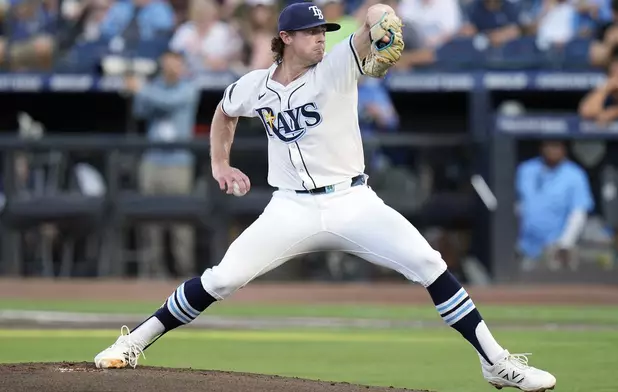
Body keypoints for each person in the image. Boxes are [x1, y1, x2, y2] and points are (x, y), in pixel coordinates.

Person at [94, 3, 556, 391]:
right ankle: (133, 340)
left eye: (323, 31)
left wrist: (384, 16)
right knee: (221, 279)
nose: (321, 38)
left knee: (430, 264)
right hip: (291, 207)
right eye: (311, 32)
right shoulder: (255, 85)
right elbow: (224, 110)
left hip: (353, 202)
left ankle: (495, 362)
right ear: (285, 38)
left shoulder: (336, 66)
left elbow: (370, 20)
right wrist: (220, 163)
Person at [126, 49, 200, 278]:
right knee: (151, 220)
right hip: (152, 160)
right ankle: (153, 270)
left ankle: (185, 271)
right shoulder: (154, 87)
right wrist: (139, 92)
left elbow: (170, 103)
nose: (171, 68)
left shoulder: (189, 88)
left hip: (178, 161)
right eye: (168, 64)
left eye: (176, 64)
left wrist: (140, 89)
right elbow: (139, 111)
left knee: (180, 220)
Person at [579, 54, 618, 268]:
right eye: (616, 74)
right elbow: (586, 110)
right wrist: (606, 88)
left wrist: (616, 112)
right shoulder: (605, 97)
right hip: (614, 169)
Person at [515, 141, 594, 271]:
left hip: (556, 249)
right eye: (549, 145)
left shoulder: (575, 174)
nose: (553, 150)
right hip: (525, 247)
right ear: (542, 147)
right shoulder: (526, 169)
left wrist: (565, 243)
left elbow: (579, 212)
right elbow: (515, 206)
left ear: (565, 149)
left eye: (557, 146)